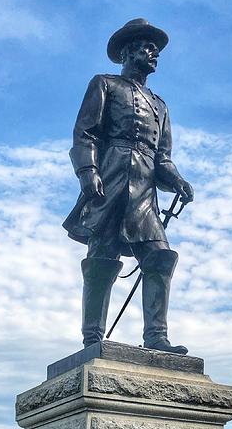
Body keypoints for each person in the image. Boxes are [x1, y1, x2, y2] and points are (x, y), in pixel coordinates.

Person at [63, 18, 194, 354]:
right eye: (146, 46)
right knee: (101, 259)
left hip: (144, 192)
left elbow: (162, 158)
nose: (153, 54)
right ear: (126, 51)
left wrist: (177, 180)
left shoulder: (161, 106)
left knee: (160, 257)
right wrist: (88, 170)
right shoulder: (104, 84)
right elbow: (86, 133)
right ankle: (93, 337)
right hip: (110, 181)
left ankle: (156, 337)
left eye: (156, 49)